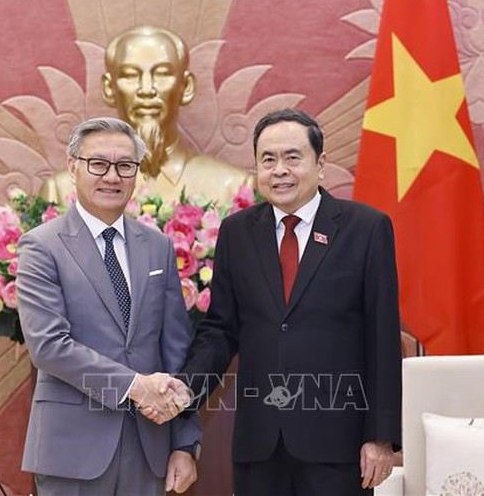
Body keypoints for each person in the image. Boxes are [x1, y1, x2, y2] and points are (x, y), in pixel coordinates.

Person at [162, 109, 402, 494]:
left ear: (320, 163)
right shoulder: (237, 232)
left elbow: (383, 337)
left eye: (293, 157)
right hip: (260, 447)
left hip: (338, 446)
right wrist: (185, 391)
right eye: (268, 160)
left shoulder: (366, 228)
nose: (280, 171)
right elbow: (220, 331)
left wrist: (381, 436)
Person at [17, 117, 200, 495]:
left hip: (149, 447)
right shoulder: (41, 246)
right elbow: (48, 346)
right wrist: (135, 386)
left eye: (125, 165)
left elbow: (176, 351)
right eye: (98, 164)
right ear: (73, 168)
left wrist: (184, 444)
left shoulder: (158, 246)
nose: (112, 176)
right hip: (72, 451)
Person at [102, 25, 254, 203]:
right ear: (109, 89)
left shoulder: (234, 188)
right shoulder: (74, 189)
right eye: (130, 75)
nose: (146, 89)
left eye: (162, 74)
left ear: (186, 87)